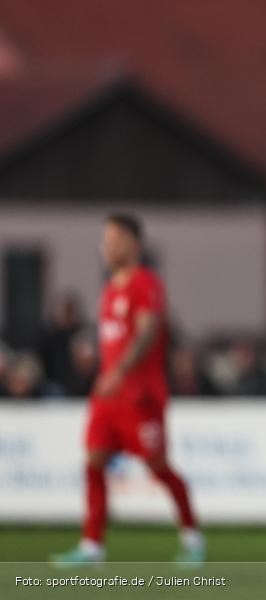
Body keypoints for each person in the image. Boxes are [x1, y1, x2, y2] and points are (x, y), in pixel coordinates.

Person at [51, 214, 204, 565]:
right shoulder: (109, 290)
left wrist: (119, 369)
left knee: (158, 466)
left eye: (115, 239)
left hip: (141, 395)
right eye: (105, 239)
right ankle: (92, 545)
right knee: (93, 461)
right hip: (108, 396)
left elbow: (147, 331)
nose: (107, 246)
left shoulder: (146, 283)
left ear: (134, 244)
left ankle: (192, 537)